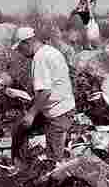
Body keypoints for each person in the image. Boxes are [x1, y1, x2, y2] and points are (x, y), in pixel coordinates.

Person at [10, 27, 76, 169]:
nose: (21, 53)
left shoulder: (39, 58)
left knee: (53, 161)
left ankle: (51, 175)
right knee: (20, 129)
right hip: (63, 107)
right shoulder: (51, 51)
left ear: (26, 43)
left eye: (20, 49)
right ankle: (19, 165)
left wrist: (31, 114)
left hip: (57, 113)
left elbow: (45, 91)